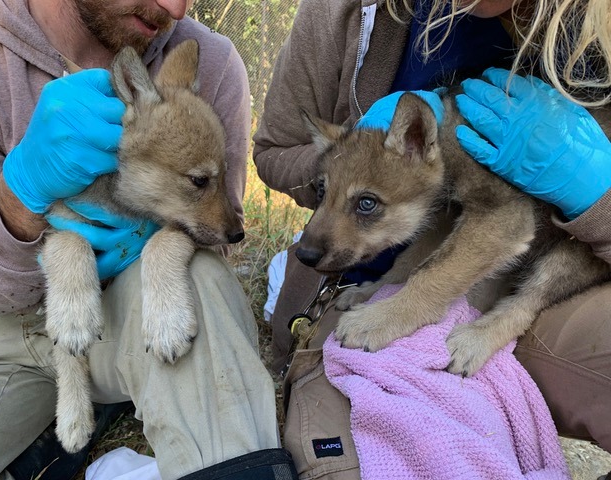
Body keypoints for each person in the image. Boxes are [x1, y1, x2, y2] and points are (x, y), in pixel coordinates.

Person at [253, 0, 611, 477]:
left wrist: (600, 196)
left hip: (554, 277)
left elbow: (505, 223)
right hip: (390, 283)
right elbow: (274, 150)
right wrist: (349, 156)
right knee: (364, 451)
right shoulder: (340, 12)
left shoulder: (596, 29)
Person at [0, 1, 297, 479]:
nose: (177, 6)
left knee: (196, 276)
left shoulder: (210, 59)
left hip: (134, 319)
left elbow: (221, 232)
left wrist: (164, 243)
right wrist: (18, 197)